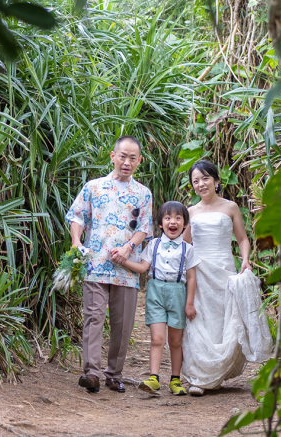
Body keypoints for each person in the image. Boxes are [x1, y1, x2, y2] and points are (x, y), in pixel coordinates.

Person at [65, 136, 153, 393]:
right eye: (122, 156)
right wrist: (76, 241)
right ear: (112, 156)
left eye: (132, 158)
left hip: (126, 268)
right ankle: (91, 373)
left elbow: (144, 229)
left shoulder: (143, 193)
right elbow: (77, 216)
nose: (127, 162)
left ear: (139, 161)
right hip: (95, 265)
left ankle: (114, 373)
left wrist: (128, 248)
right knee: (93, 317)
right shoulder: (93, 187)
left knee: (123, 323)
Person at [181, 160, 273, 396]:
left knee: (224, 318)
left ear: (216, 180)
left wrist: (245, 260)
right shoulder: (190, 212)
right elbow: (184, 244)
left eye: (205, 178)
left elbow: (242, 238)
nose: (201, 184)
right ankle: (199, 378)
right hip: (199, 271)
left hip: (224, 268)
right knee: (200, 319)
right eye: (196, 181)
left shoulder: (230, 207)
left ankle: (216, 372)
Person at [114, 201, 199, 396]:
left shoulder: (188, 249)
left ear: (185, 223)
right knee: (157, 338)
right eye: (168, 217)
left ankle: (175, 380)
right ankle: (154, 378)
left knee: (175, 341)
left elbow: (192, 278)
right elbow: (143, 268)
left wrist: (190, 304)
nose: (173, 222)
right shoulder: (154, 244)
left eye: (178, 218)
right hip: (155, 292)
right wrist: (123, 260)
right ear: (160, 223)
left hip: (178, 293)